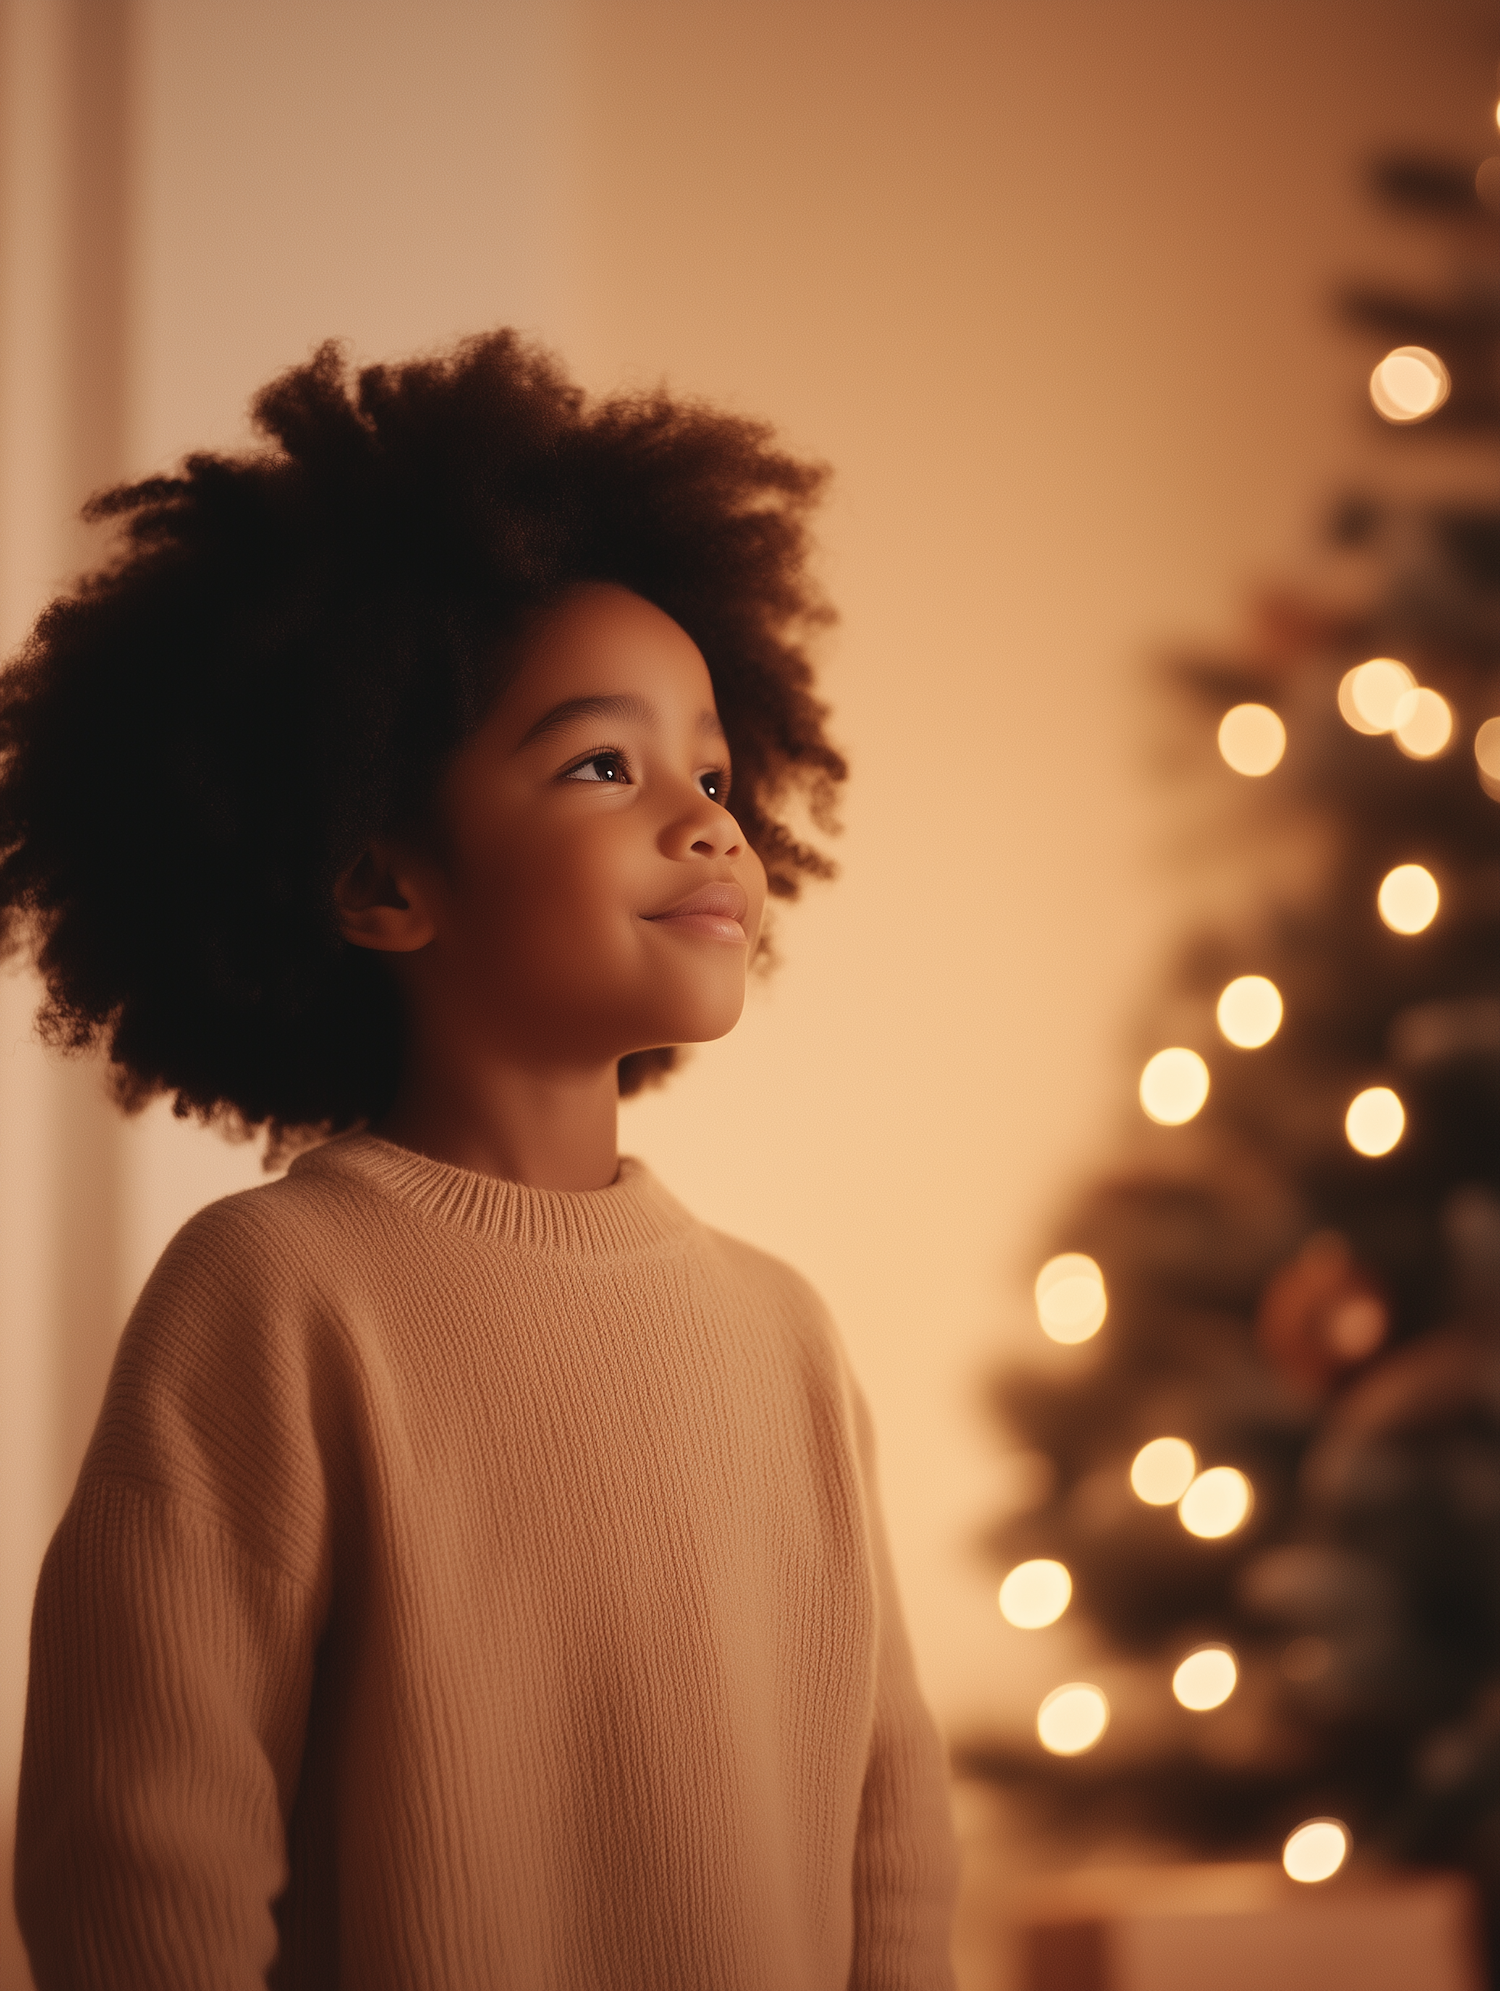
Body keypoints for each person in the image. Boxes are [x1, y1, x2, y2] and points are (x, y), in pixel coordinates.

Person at [2, 331, 958, 1989]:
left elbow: (892, 1844)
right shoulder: (275, 1300)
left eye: (715, 771)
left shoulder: (786, 1335)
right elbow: (144, 1854)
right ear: (380, 882)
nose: (707, 816)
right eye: (604, 763)